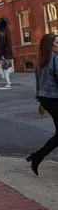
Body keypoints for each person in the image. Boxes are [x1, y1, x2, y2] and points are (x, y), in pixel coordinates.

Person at [26, 34, 58, 176]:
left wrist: (40, 102)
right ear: (50, 45)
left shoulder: (40, 61)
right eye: (57, 43)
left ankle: (37, 157)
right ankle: (37, 156)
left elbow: (38, 84)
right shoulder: (56, 59)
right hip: (55, 99)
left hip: (46, 99)